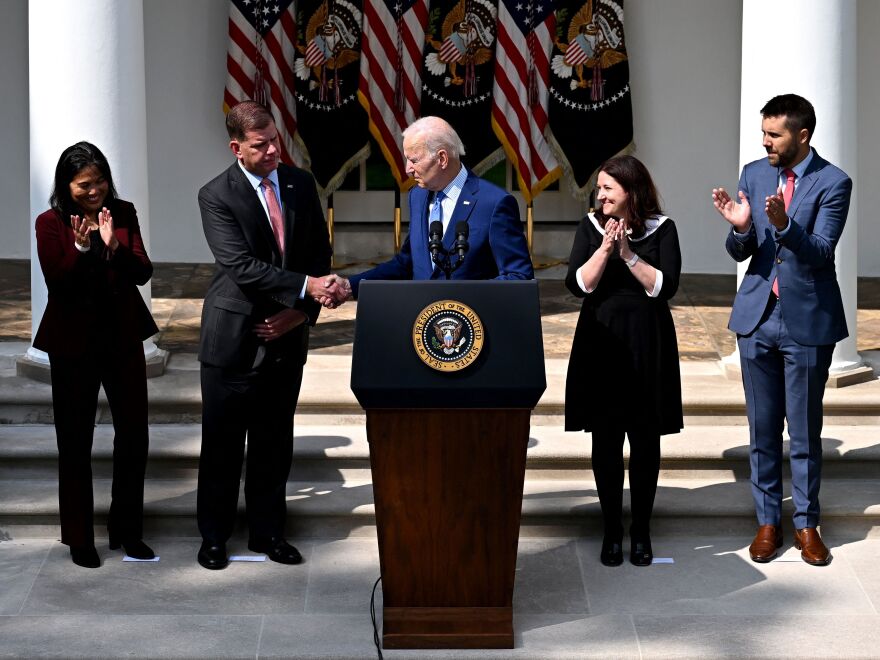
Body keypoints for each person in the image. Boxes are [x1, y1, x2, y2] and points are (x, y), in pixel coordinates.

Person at [712, 94, 852, 567]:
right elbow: (742, 250)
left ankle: (807, 524)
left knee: (805, 429)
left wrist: (784, 225)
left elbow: (820, 250)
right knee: (763, 427)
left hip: (808, 320)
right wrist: (738, 228)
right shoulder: (754, 172)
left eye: (774, 134)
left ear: (803, 135)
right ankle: (768, 521)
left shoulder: (834, 182)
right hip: (756, 317)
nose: (765, 141)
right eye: (763, 133)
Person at [196, 101, 333, 570]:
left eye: (275, 139)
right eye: (261, 145)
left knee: (275, 443)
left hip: (286, 339)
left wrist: (301, 312)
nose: (274, 149)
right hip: (233, 339)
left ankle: (268, 533)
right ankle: (214, 538)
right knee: (223, 446)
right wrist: (305, 288)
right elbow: (240, 266)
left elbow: (319, 253)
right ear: (237, 148)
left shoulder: (300, 184)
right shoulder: (216, 195)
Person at [34, 142, 158, 568]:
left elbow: (143, 271)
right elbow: (57, 282)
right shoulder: (49, 223)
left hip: (123, 338)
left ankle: (127, 531)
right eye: (84, 184)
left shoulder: (122, 213)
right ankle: (80, 538)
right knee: (74, 441)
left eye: (100, 181)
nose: (95, 191)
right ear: (66, 186)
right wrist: (84, 249)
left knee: (134, 436)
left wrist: (114, 246)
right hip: (72, 343)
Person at [564, 155, 682, 567]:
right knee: (607, 440)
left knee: (646, 440)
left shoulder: (663, 228)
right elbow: (579, 284)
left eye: (607, 188)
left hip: (647, 340)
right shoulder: (590, 226)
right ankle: (612, 529)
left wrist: (629, 254)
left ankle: (642, 531)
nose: (600, 195)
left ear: (630, 190)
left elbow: (665, 287)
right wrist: (605, 249)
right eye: (599, 188)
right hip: (602, 339)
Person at [318, 115, 533, 304]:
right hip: (422, 327)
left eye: (413, 160)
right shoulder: (418, 196)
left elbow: (518, 276)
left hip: (471, 330)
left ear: (441, 158)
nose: (407, 169)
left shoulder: (494, 203)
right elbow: (407, 262)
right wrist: (349, 286)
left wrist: (462, 299)